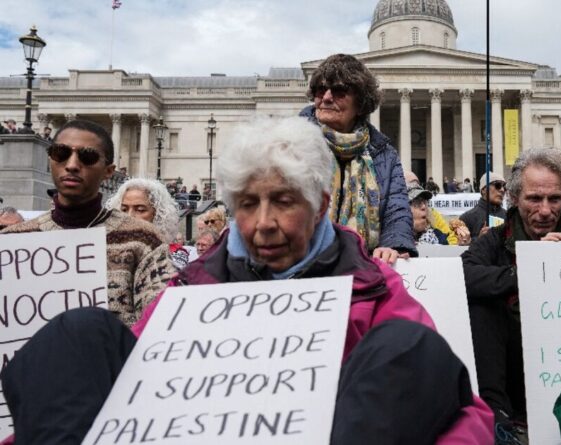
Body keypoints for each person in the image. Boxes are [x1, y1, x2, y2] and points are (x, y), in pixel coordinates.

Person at [0, 117, 494, 445]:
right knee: (79, 333)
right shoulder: (193, 286)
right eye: (246, 204)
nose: (262, 223)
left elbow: (464, 412)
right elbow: (130, 384)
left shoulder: (375, 284)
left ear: (321, 204)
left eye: (283, 200)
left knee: (412, 348)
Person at [463, 148, 561, 443]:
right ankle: (496, 418)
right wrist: (533, 267)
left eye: (554, 199)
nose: (545, 211)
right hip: (514, 362)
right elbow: (464, 276)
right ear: (515, 198)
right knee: (483, 305)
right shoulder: (495, 241)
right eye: (534, 199)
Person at [1, 119, 175, 327]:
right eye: (61, 154)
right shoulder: (12, 242)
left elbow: (161, 318)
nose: (72, 165)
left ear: (109, 171)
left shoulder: (144, 238)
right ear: (50, 161)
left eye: (88, 157)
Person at [300, 53, 416, 264]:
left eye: (340, 91)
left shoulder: (384, 153)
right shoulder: (290, 142)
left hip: (361, 266)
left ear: (361, 103)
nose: (326, 97)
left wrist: (393, 244)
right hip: (300, 265)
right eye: (320, 89)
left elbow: (396, 209)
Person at [105, 177, 187, 268]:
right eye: (124, 209)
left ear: (158, 214)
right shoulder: (104, 251)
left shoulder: (171, 258)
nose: (129, 215)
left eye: (140, 210)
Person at [405, 170, 463, 245]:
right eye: (417, 202)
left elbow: (451, 242)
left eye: (425, 201)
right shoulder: (388, 243)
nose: (423, 207)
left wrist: (462, 246)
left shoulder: (437, 236)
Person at [459, 172, 507, 238]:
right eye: (498, 185)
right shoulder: (466, 218)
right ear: (484, 190)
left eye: (504, 187)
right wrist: (479, 240)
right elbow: (458, 246)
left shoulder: (509, 217)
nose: (502, 190)